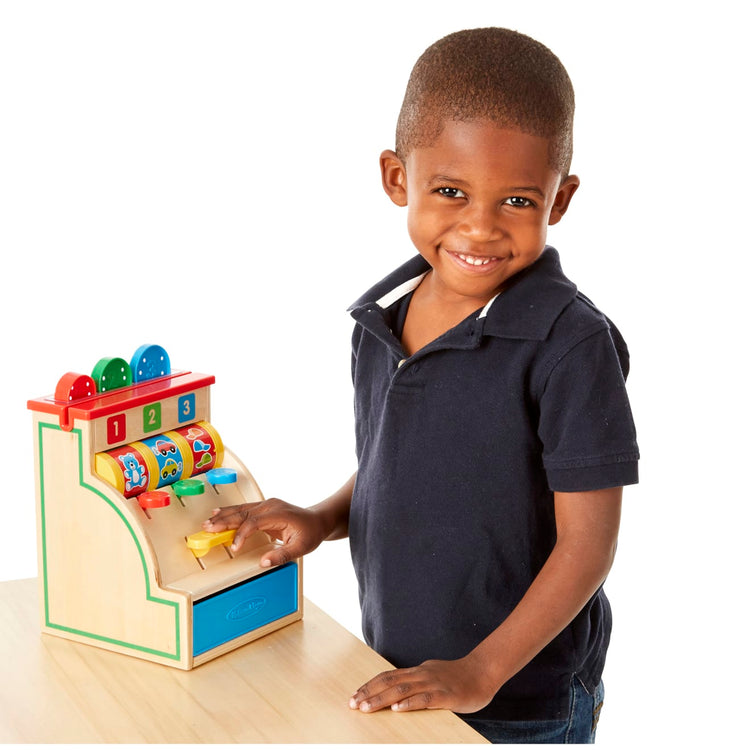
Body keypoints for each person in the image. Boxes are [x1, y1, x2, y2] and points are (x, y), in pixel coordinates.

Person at [204, 27, 639, 744]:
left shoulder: (571, 344)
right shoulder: (381, 321)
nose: (480, 227)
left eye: (518, 202)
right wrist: (321, 518)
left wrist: (483, 669)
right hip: (402, 671)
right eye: (450, 190)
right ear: (396, 178)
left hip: (520, 699)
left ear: (559, 200)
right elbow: (396, 463)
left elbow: (587, 547)